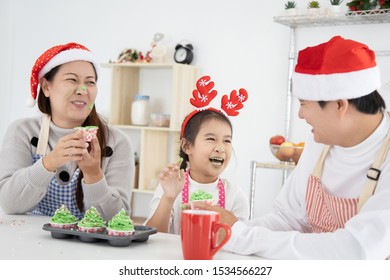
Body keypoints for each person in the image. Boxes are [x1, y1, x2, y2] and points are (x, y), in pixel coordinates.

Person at [194, 36, 390, 259]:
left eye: (304, 104)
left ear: (339, 105)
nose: (300, 114)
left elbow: (357, 250)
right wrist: (234, 229)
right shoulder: (320, 145)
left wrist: (242, 237)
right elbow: (287, 219)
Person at [0, 42, 134, 221]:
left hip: (91, 248)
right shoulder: (22, 131)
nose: (82, 90)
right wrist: (50, 162)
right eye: (72, 80)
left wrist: (94, 175)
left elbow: (118, 220)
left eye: (90, 82)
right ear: (46, 87)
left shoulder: (116, 142)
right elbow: (9, 204)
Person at [145, 76, 250, 234]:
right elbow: (153, 235)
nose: (221, 148)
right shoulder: (170, 187)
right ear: (187, 146)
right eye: (211, 139)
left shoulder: (235, 196)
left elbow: (241, 240)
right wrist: (168, 197)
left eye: (227, 141)